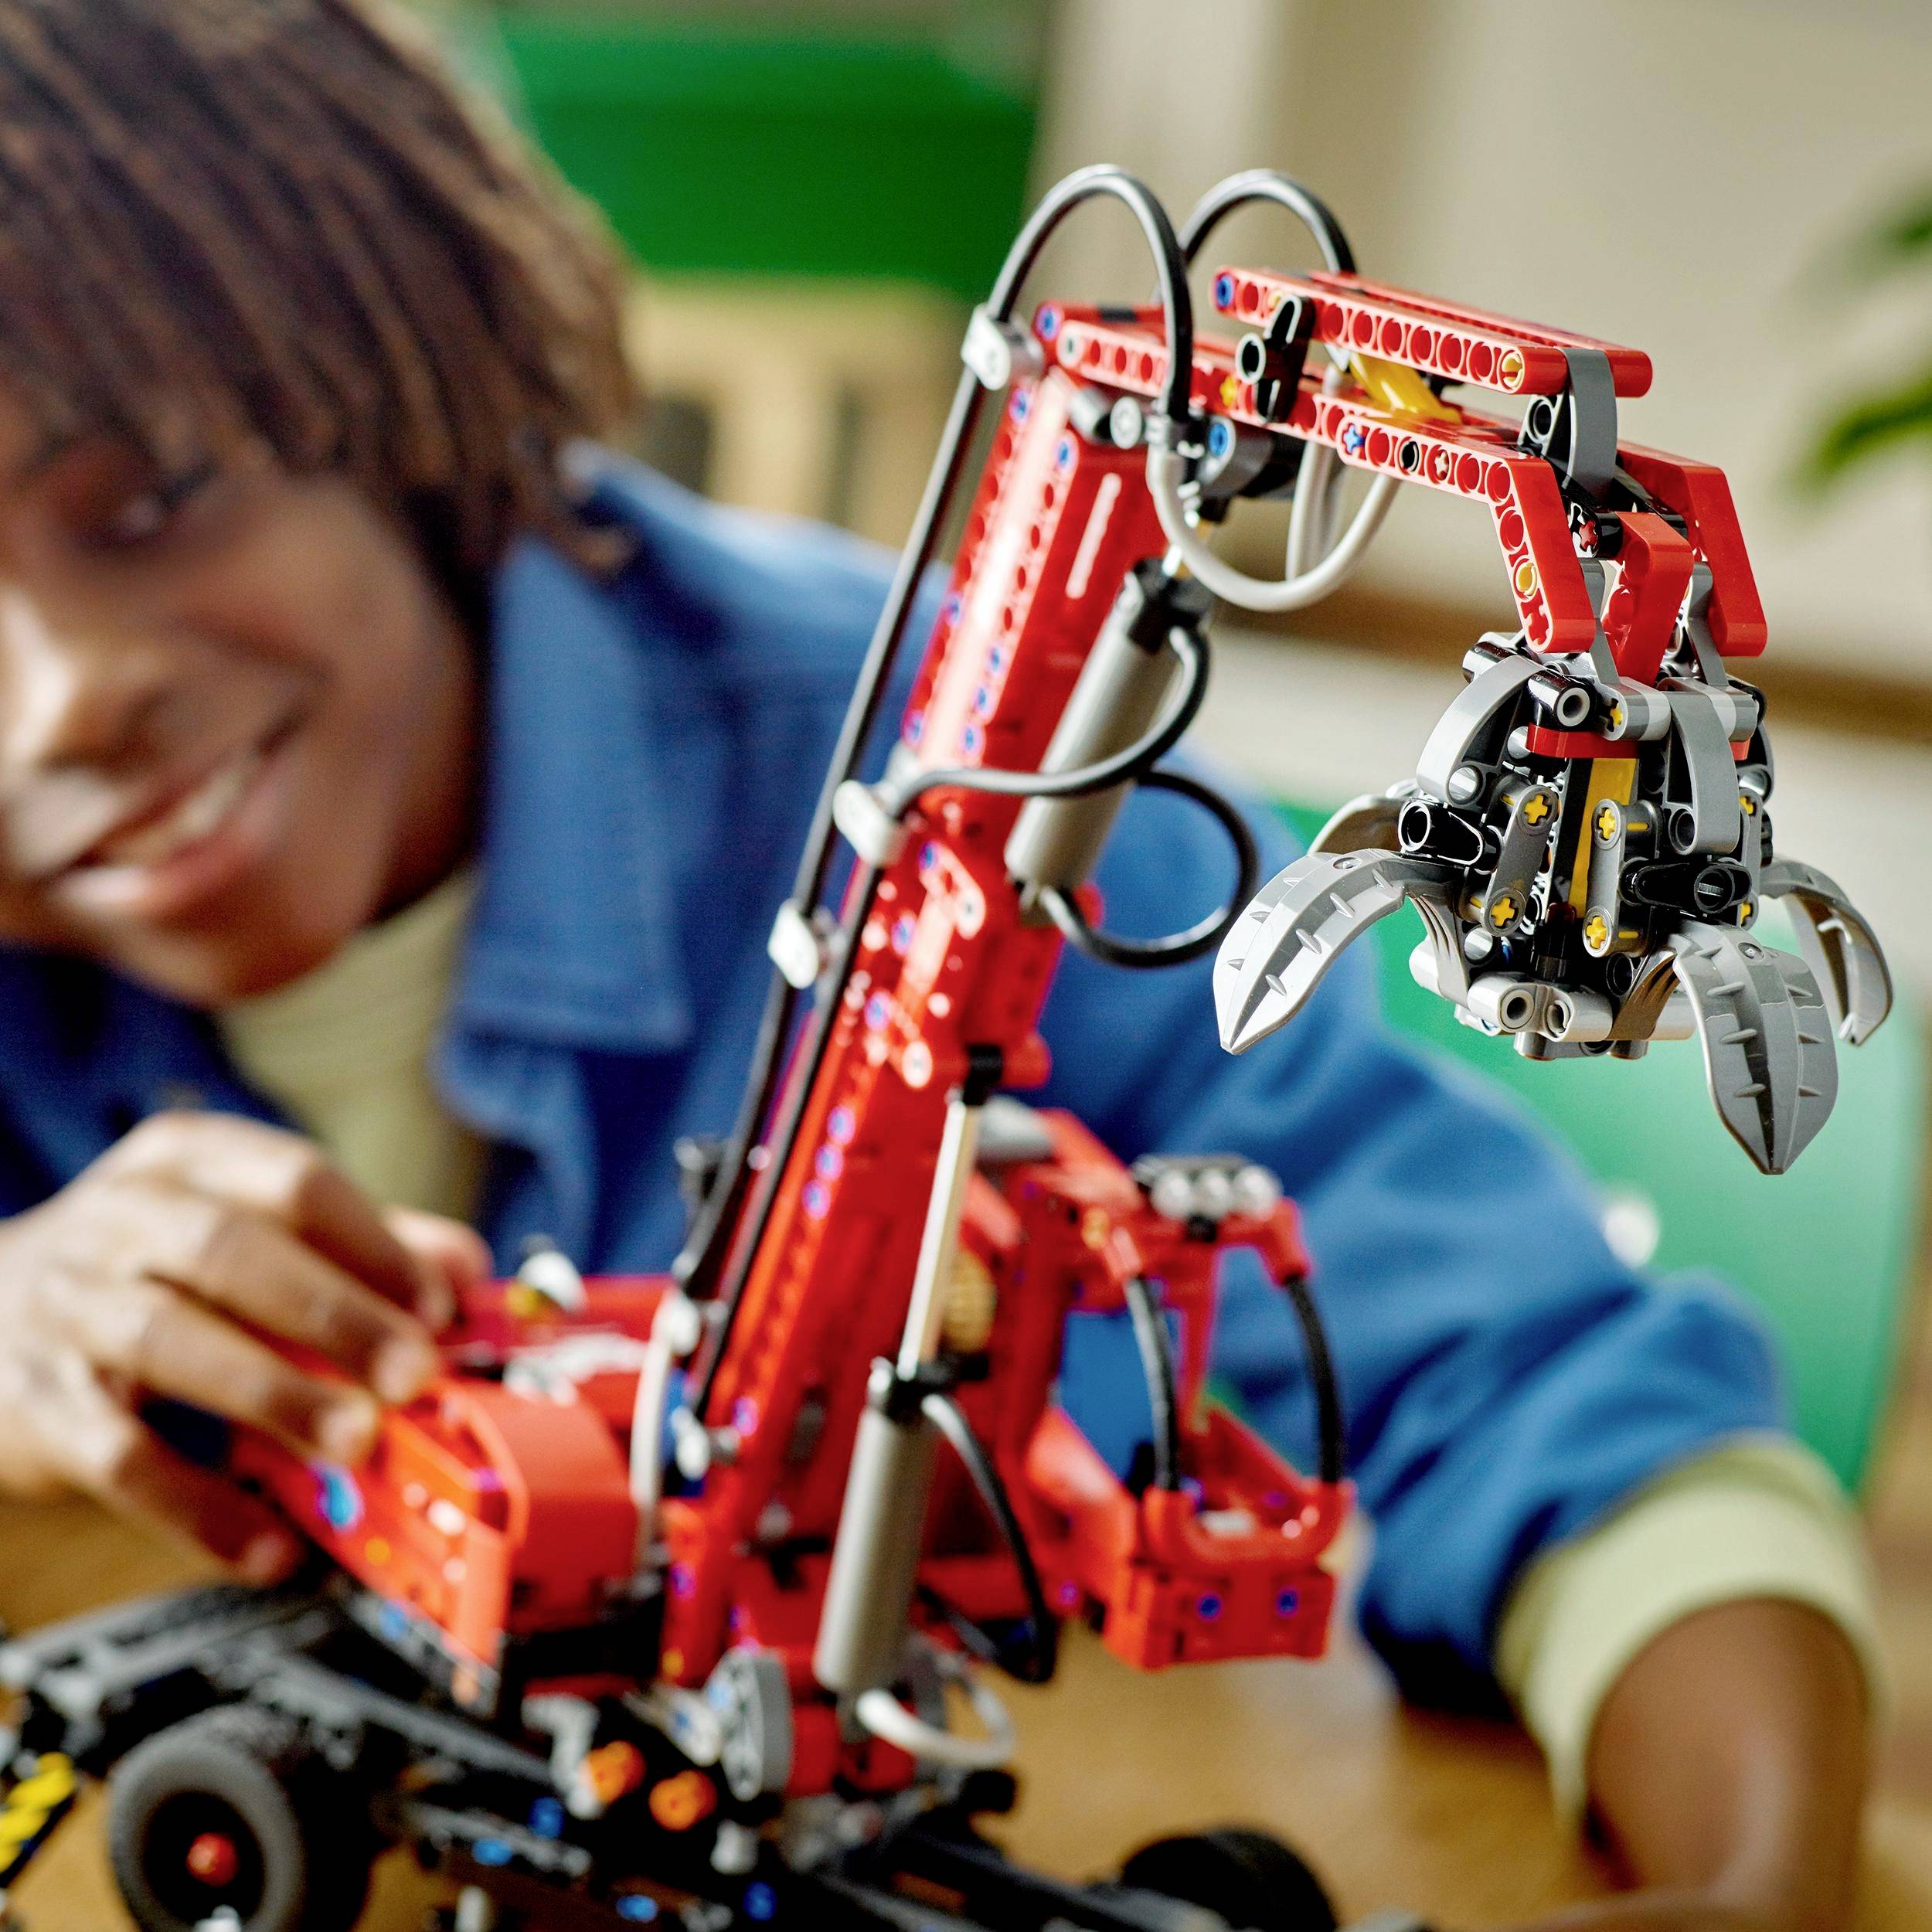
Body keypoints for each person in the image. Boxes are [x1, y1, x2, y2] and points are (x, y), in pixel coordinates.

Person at [0, 4, 1878, 1927]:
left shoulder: (979, 765)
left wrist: (1751, 1884)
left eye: (147, 496)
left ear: (370, 374)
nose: (64, 699)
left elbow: (1561, 1393)